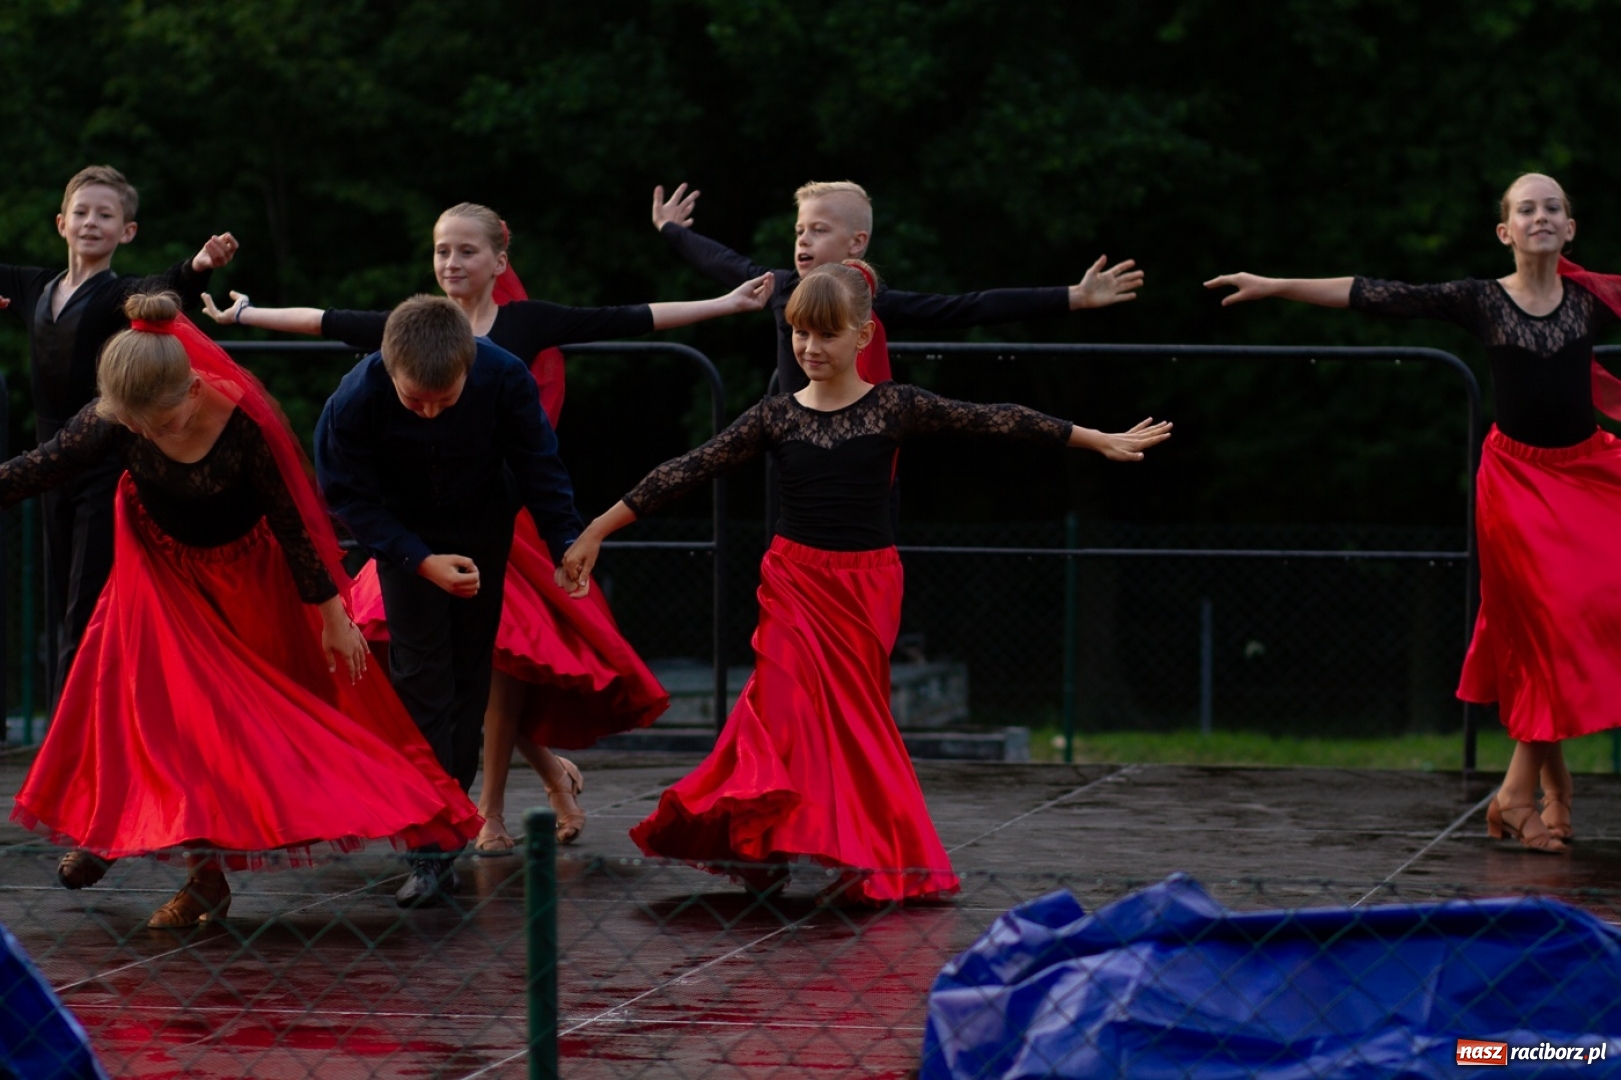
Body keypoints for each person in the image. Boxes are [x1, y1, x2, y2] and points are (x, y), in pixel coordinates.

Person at [559, 262, 1172, 904]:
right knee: (782, 709)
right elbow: (685, 469)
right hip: (793, 581)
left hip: (864, 587)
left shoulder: (894, 406)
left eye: (826, 336)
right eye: (800, 335)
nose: (810, 349)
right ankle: (763, 843)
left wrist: (1094, 438)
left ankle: (875, 851)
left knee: (855, 722)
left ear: (863, 335)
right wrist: (597, 529)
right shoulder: (776, 416)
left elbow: (996, 418)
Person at [208, 203, 771, 852]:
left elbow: (629, 318)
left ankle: (496, 803)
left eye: (466, 251)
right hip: (413, 529)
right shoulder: (409, 331)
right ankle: (467, 806)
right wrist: (245, 314)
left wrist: (725, 303)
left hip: (506, 519)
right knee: (423, 665)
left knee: (498, 665)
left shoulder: (523, 326)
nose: (452, 262)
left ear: (498, 261)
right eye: (442, 250)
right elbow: (326, 322)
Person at [2, 293, 480, 929]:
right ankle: (139, 844)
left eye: (164, 423)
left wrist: (332, 616)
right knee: (137, 706)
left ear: (195, 388)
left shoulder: (241, 426)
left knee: (243, 733)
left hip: (249, 581)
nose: (151, 435)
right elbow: (37, 469)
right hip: (160, 577)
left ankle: (205, 867)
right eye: (138, 427)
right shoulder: (114, 419)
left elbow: (295, 524)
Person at [1206, 172, 1621, 855]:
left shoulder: (1592, 302)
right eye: (1526, 209)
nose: (1540, 216)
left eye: (1552, 208)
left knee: (1579, 614)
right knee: (1546, 624)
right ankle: (1523, 796)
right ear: (1505, 231)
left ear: (1569, 229)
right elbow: (1372, 293)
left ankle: (1544, 790)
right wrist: (1277, 284)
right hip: (1515, 482)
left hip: (1586, 474)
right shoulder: (1481, 300)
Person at [316, 294, 598, 905]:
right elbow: (346, 496)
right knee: (421, 679)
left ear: (469, 366)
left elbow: (538, 463)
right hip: (402, 537)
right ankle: (429, 848)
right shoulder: (354, 399)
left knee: (471, 679)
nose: (428, 412)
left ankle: (451, 815)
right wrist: (418, 559)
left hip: (480, 528)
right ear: (388, 370)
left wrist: (564, 541)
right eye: (414, 399)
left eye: (444, 401)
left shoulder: (504, 375)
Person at [0, 165, 238, 708]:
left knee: (87, 607)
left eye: (105, 215)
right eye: (81, 213)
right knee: (59, 598)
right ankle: (72, 734)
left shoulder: (118, 293)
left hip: (103, 463)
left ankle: (75, 738)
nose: (91, 222)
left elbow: (165, 288)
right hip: (47, 464)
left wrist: (199, 265)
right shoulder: (34, 286)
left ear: (125, 232)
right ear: (61, 223)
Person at [651, 179, 1144, 393]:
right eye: (799, 230)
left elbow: (967, 308)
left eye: (819, 230)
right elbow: (723, 262)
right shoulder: (779, 287)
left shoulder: (871, 301)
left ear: (856, 243)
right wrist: (672, 231)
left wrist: (1073, 296)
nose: (803, 239)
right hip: (795, 443)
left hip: (861, 447)